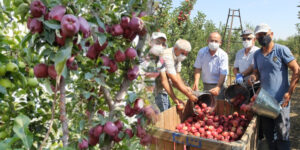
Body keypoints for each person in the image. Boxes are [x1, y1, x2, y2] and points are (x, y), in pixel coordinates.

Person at [248, 23, 299, 150]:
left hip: (281, 101)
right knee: (269, 133)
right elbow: (256, 73)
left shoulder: (281, 50)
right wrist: (253, 77)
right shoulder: (257, 54)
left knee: (283, 134)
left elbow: (296, 70)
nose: (261, 38)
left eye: (263, 35)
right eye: (258, 36)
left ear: (271, 34)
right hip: (264, 101)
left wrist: (289, 93)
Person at [193, 32, 228, 99]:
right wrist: (196, 82)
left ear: (220, 43)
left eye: (216, 41)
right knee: (207, 105)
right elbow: (197, 68)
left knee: (218, 106)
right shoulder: (202, 52)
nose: (213, 43)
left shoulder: (223, 55)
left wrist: (218, 87)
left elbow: (223, 73)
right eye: (211, 40)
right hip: (206, 85)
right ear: (207, 41)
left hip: (219, 85)